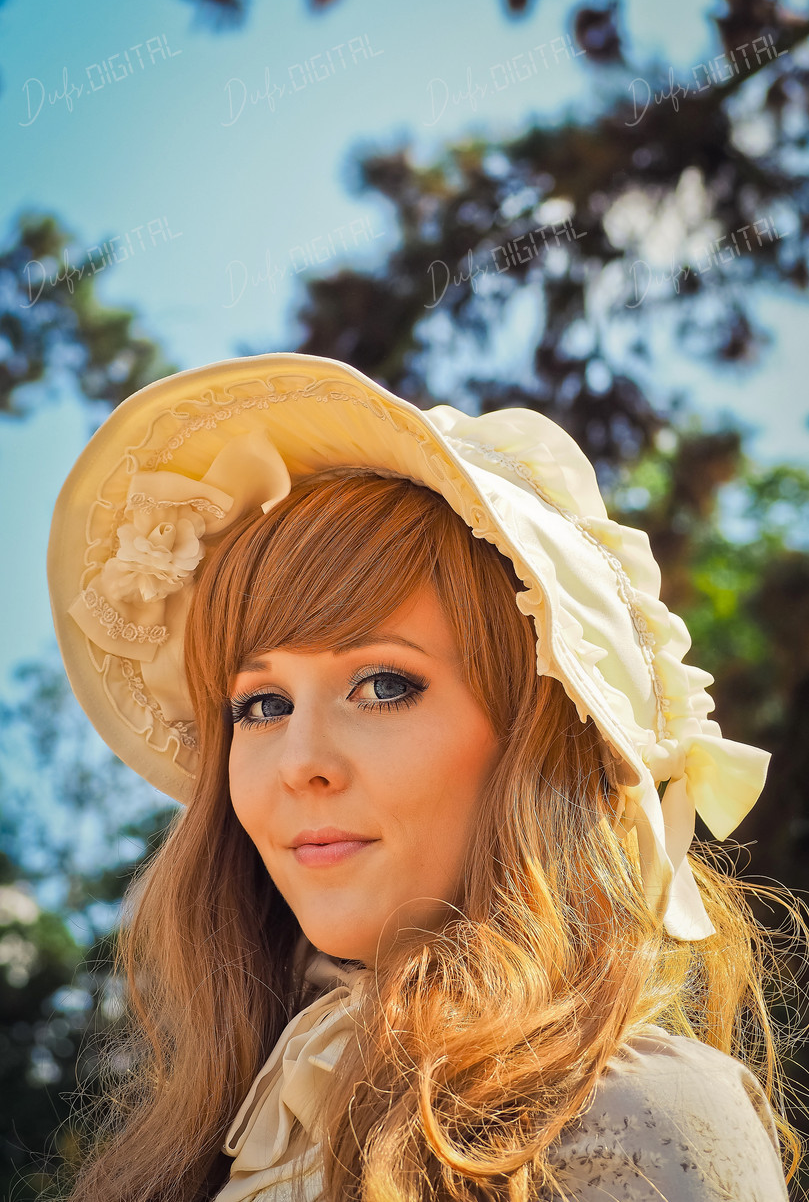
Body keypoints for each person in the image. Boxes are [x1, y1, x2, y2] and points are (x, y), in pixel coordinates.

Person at [46, 351, 799, 1202]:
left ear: (533, 736)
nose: (300, 763)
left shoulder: (628, 1113)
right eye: (258, 705)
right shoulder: (209, 1135)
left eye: (383, 686)